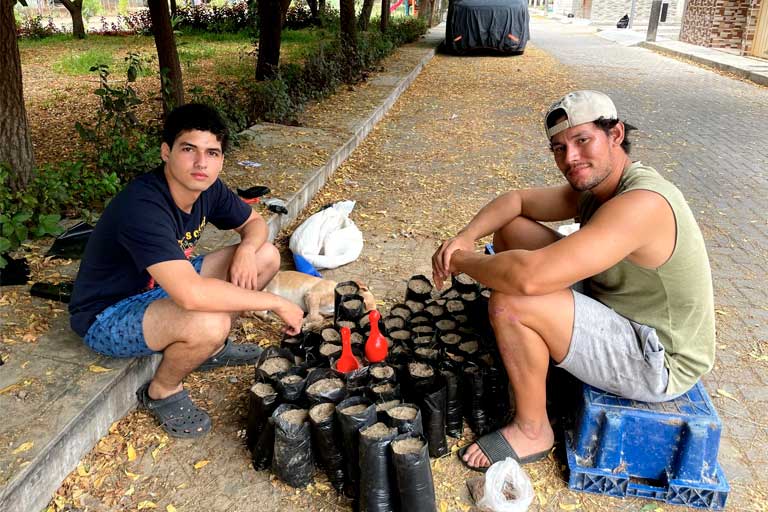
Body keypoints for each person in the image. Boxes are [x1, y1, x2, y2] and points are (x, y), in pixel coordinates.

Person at [432, 90, 715, 471]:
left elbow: (529, 279)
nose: (570, 158)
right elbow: (515, 202)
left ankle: (533, 430)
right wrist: (465, 237)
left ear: (615, 134)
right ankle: (540, 347)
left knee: (513, 302)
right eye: (559, 148)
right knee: (511, 231)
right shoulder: (599, 187)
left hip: (657, 358)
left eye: (583, 141)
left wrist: (461, 261)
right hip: (615, 306)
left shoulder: (642, 202)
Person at [69, 103, 304, 438]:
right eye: (189, 149)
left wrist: (247, 251)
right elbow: (191, 295)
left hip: (162, 286)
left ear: (221, 159)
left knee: (265, 255)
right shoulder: (142, 206)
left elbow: (255, 223)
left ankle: (212, 349)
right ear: (167, 152)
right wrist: (277, 303)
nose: (201, 163)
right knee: (210, 320)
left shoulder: (209, 188)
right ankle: (162, 391)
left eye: (212, 153)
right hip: (108, 314)